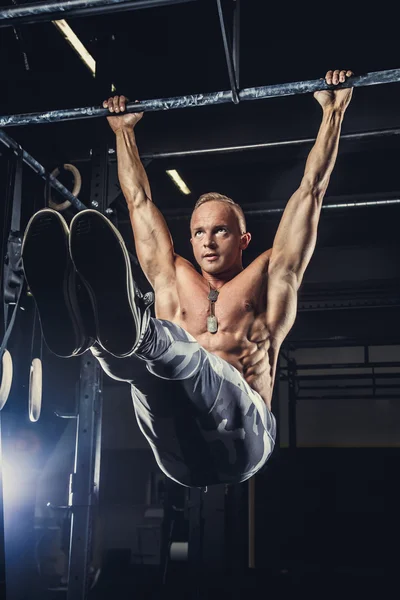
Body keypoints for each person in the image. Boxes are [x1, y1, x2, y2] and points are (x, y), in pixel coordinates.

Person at [22, 69, 353, 488]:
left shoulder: (271, 274)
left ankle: (137, 335)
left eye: (221, 231)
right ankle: (86, 332)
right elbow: (138, 201)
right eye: (199, 232)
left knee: (185, 359)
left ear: (243, 239)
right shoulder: (173, 277)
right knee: (143, 375)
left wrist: (334, 111)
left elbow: (311, 190)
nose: (208, 242)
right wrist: (124, 132)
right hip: (178, 454)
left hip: (244, 444)